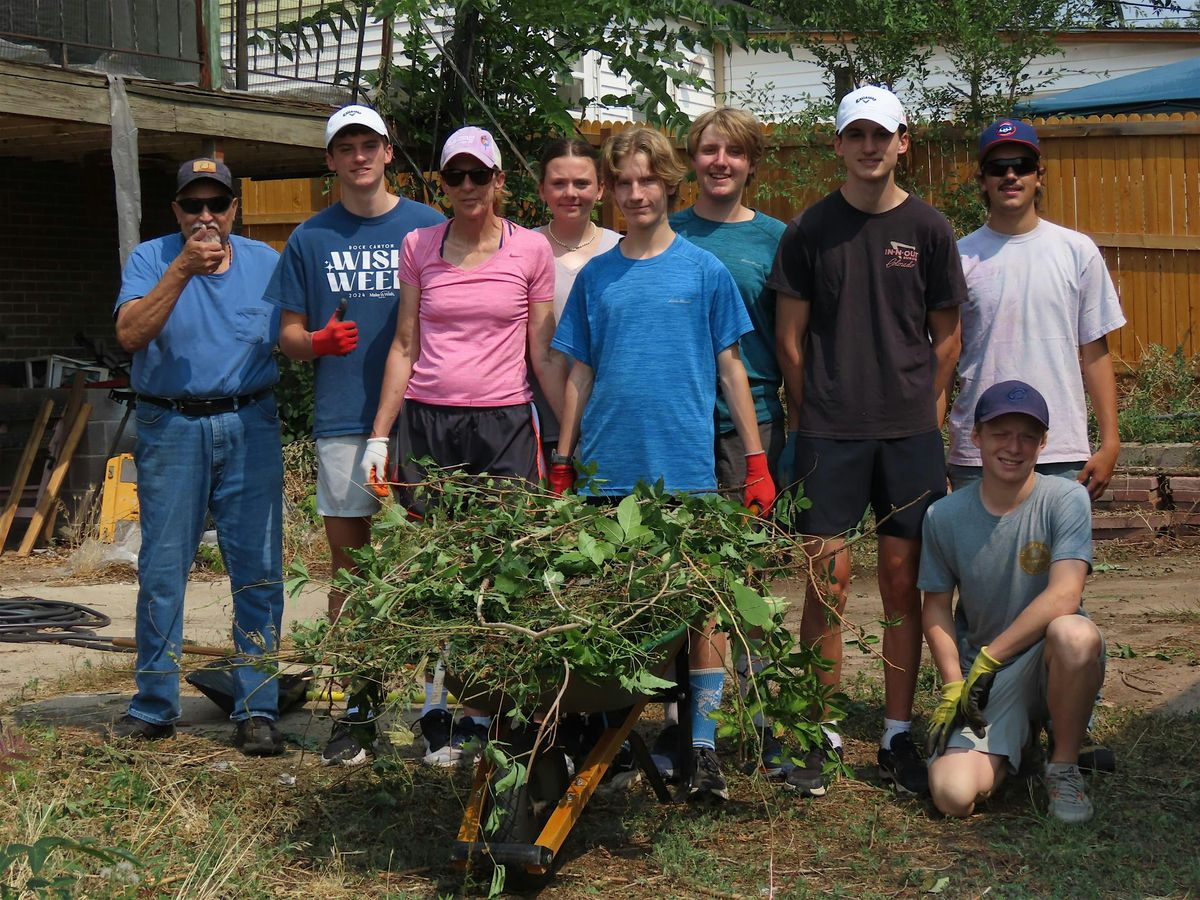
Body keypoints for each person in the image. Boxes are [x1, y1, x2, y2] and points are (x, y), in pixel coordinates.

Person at [550, 126, 777, 802]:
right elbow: (577, 373)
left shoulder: (703, 270)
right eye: (624, 183)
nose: (637, 193)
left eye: (649, 181)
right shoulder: (597, 275)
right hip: (608, 473)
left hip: (686, 469)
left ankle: (700, 749)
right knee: (616, 608)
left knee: (702, 606)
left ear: (669, 185)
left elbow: (731, 369)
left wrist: (757, 461)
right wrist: (564, 459)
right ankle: (611, 743)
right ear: (611, 192)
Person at [769, 85, 965, 797]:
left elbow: (948, 337)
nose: (869, 145)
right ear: (838, 145)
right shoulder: (809, 230)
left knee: (901, 584)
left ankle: (894, 733)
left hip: (910, 435)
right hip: (829, 430)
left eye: (881, 133)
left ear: (903, 141)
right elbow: (789, 340)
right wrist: (813, 406)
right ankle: (816, 730)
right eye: (855, 134)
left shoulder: (931, 228)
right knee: (827, 579)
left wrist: (925, 403)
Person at [370, 125, 568, 767]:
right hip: (428, 423)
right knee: (433, 569)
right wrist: (380, 435)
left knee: (500, 567)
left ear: (498, 181)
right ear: (442, 184)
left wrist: (567, 437)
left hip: (505, 424)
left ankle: (488, 711)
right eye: (453, 177)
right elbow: (404, 344)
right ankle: (435, 710)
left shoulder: (531, 250)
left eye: (476, 175)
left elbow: (542, 352)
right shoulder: (418, 244)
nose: (465, 188)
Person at [264, 105, 444, 767]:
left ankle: (438, 711)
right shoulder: (310, 239)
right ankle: (359, 711)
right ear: (332, 162)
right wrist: (314, 342)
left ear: (389, 152)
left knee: (434, 566)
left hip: (424, 418)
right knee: (354, 572)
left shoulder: (429, 226)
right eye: (347, 147)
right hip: (344, 420)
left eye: (370, 144)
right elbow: (285, 336)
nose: (360, 156)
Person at [111, 159, 285, 756]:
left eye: (218, 204)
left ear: (236, 208)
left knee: (258, 569)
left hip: (250, 421)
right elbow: (130, 335)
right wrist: (183, 270)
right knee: (162, 569)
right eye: (193, 205)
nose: (205, 216)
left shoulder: (266, 262)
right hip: (170, 423)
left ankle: (257, 705)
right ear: (176, 211)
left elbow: (296, 333)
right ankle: (154, 704)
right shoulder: (151, 259)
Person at [920, 380, 1103, 824]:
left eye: (1027, 436)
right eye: (1001, 433)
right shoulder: (943, 516)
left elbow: (1065, 594)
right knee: (952, 796)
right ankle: (1014, 747)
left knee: (1075, 634)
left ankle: (1063, 765)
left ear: (1043, 443)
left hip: (1045, 661)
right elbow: (937, 607)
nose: (1014, 447)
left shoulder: (1066, 499)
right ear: (976, 437)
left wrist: (989, 657)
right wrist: (952, 684)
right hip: (986, 684)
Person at [668, 107, 789, 778]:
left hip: (755, 424)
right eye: (709, 150)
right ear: (692, 159)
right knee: (688, 586)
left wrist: (770, 449)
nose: (720, 162)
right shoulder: (667, 233)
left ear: (750, 163)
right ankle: (694, 732)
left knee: (752, 582)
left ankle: (768, 722)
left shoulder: (776, 239)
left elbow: (791, 340)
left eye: (733, 152)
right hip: (679, 426)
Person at [949, 119, 1125, 500]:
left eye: (1022, 166)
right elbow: (941, 360)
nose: (1010, 176)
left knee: (1058, 560)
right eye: (998, 168)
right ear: (982, 180)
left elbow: (1095, 353)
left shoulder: (1077, 251)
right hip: (977, 450)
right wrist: (932, 447)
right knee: (980, 561)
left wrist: (1110, 441)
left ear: (1039, 176)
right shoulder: (958, 258)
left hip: (1059, 450)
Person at [531, 138, 622, 463]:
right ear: (542, 189)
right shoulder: (521, 249)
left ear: (600, 189)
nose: (570, 193)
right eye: (559, 183)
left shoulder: (621, 249)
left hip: (609, 428)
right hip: (537, 427)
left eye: (582, 183)